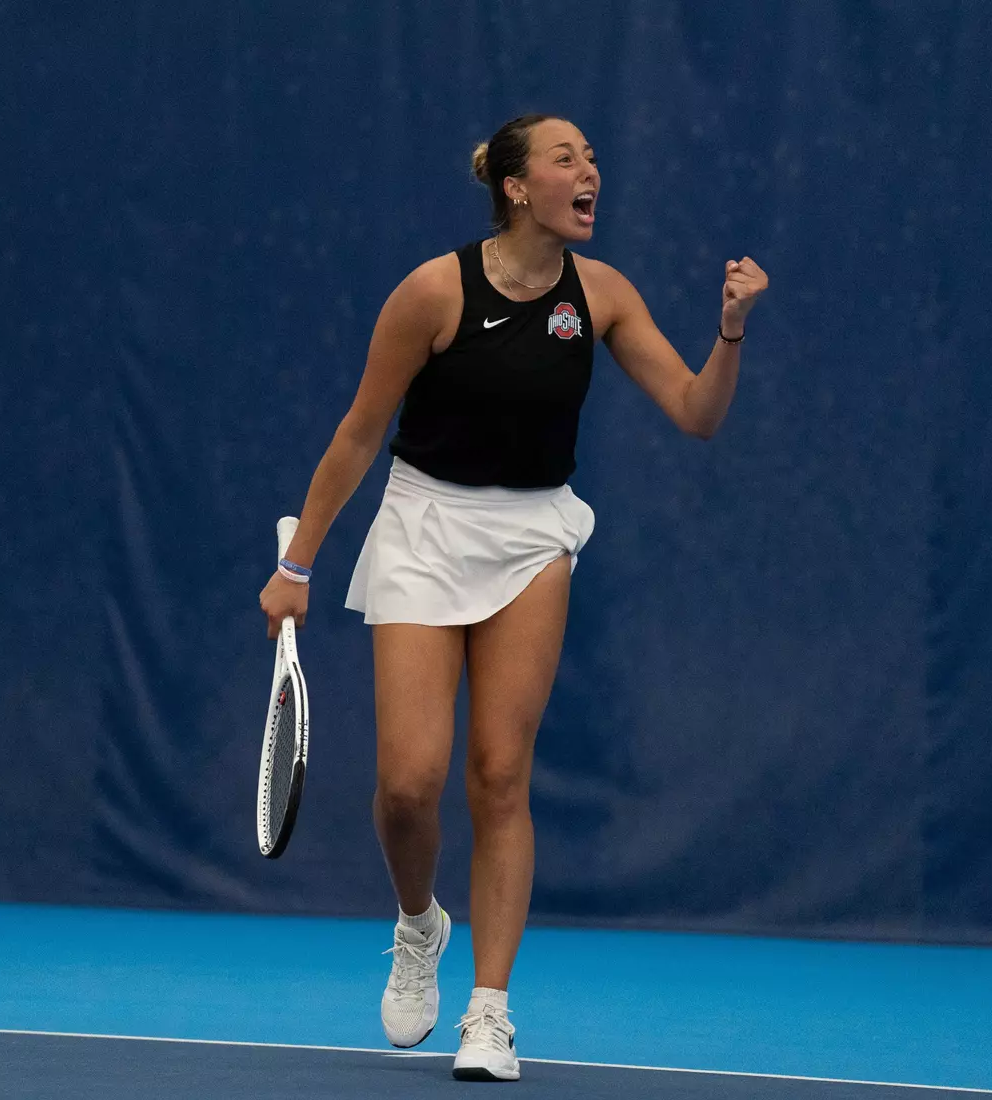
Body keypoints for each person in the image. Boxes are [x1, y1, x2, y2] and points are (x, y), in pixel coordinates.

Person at [260, 112, 769, 1082]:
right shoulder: (431, 291)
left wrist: (730, 330)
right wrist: (299, 566)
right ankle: (419, 923)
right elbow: (360, 434)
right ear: (516, 187)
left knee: (499, 774)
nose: (590, 172)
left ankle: (488, 1010)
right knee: (409, 781)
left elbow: (697, 413)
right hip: (421, 525)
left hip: (533, 535)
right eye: (566, 158)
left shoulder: (605, 294)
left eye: (592, 158)